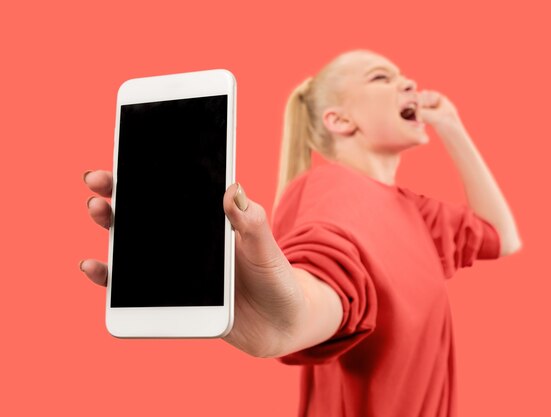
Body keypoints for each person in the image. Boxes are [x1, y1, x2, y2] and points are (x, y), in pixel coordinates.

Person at [80, 49, 522, 417]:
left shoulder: (415, 210)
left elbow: (501, 238)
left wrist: (452, 125)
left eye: (404, 76)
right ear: (339, 120)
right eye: (381, 77)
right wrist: (292, 319)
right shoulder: (331, 188)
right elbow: (331, 271)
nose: (407, 83)